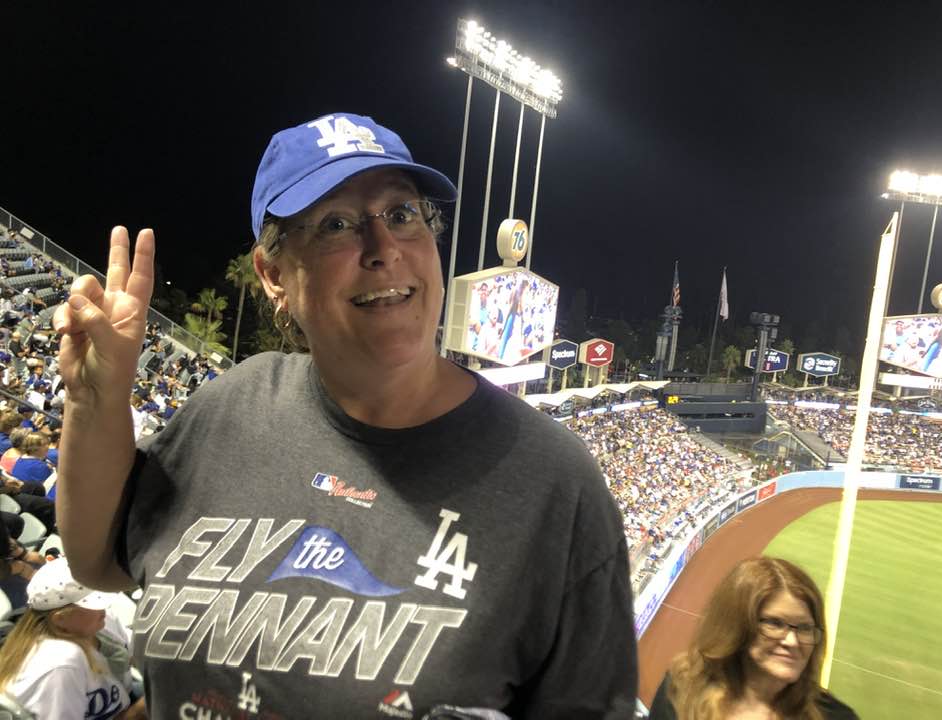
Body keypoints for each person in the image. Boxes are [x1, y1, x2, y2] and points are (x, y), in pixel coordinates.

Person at [53, 112, 637, 718]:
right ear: (274, 274)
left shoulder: (553, 482)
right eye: (337, 225)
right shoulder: (231, 407)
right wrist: (93, 399)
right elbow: (99, 560)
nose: (385, 250)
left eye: (404, 214)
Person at [648, 556, 858, 719]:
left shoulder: (835, 716)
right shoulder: (680, 692)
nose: (792, 642)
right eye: (775, 624)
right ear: (737, 625)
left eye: (804, 628)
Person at [0, 557, 145, 719]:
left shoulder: (98, 622)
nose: (103, 608)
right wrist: (140, 712)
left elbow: (134, 651)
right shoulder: (61, 664)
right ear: (60, 619)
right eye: (91, 603)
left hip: (122, 695)